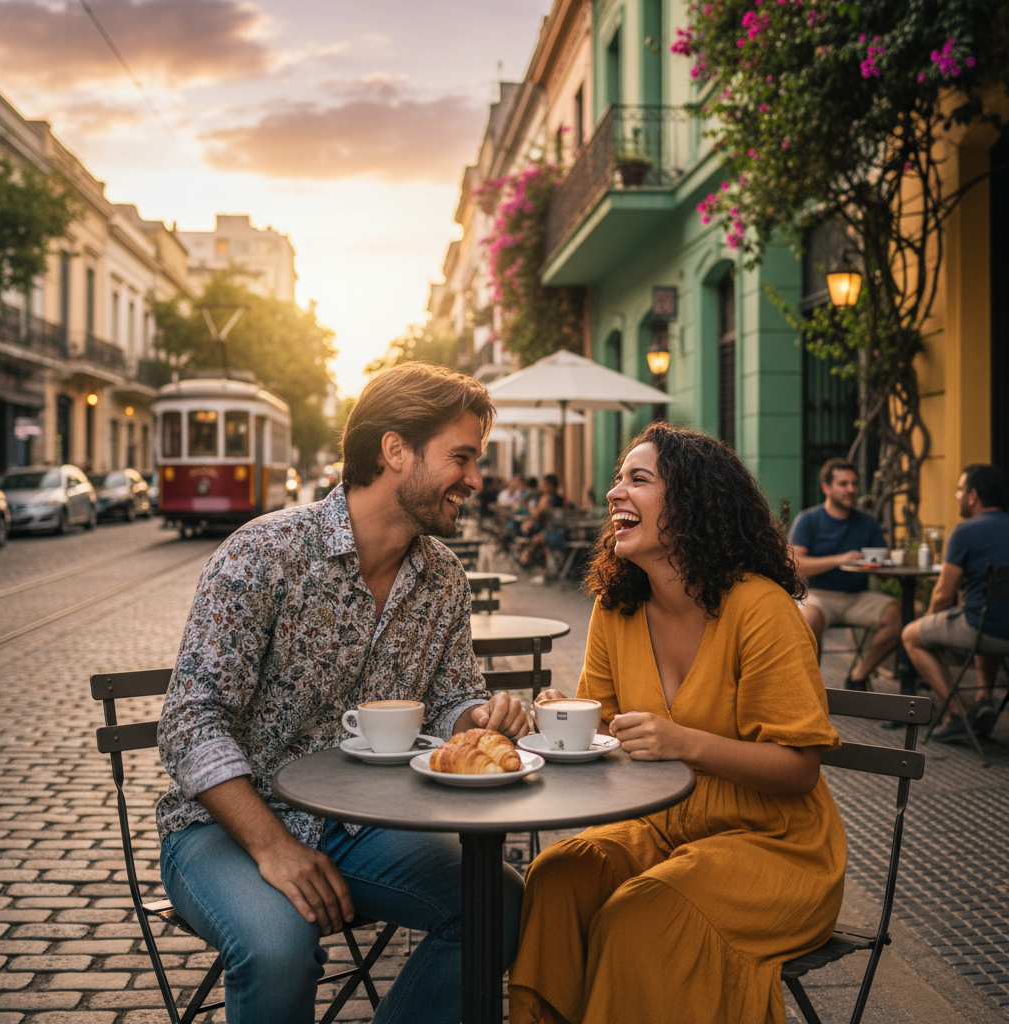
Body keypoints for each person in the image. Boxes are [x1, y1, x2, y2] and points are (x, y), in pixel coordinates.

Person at [156, 362, 528, 1024]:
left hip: (359, 828)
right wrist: (273, 845)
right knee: (278, 949)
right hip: (225, 827)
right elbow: (191, 723)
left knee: (498, 902)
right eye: (462, 457)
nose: (475, 480)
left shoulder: (443, 579)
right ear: (394, 451)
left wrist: (480, 716)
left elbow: (451, 698)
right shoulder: (264, 553)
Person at [508, 424, 846, 1024]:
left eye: (639, 479)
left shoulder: (761, 608)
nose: (616, 493)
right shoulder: (616, 609)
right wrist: (566, 724)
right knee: (556, 875)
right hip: (664, 833)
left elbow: (800, 768)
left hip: (774, 847)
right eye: (618, 479)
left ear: (692, 504)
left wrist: (685, 743)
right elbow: (606, 737)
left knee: (635, 915)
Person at [902, 463, 1009, 742]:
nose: (956, 495)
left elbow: (943, 594)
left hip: (983, 630)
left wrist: (926, 621)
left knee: (911, 636)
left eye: (960, 489)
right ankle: (984, 698)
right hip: (999, 628)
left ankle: (959, 713)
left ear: (973, 496)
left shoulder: (965, 531)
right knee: (987, 611)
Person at [788, 458, 901, 688]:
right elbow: (794, 565)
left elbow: (884, 569)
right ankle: (812, 690)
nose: (851, 489)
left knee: (900, 616)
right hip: (818, 595)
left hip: (858, 596)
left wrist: (887, 563)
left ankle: (858, 676)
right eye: (843, 484)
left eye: (854, 483)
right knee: (808, 621)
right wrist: (839, 559)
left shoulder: (867, 523)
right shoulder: (809, 520)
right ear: (826, 488)